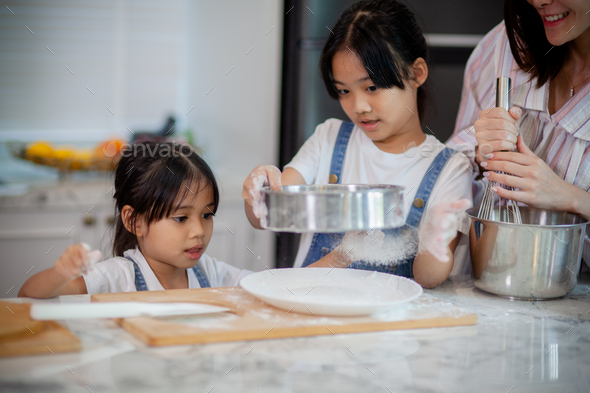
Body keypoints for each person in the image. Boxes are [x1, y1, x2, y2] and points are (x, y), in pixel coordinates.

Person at [243, 0, 473, 289]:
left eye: (372, 87)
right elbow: (268, 216)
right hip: (315, 313)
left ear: (417, 73)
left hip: (389, 330)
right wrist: (258, 195)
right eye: (343, 91)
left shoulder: (450, 169)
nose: (358, 106)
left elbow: (427, 278)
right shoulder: (328, 139)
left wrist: (433, 238)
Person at [447, 0, 590, 266]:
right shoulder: (507, 44)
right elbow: (448, 174)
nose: (540, 0)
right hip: (484, 280)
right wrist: (479, 154)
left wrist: (573, 198)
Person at [19, 142, 253, 298]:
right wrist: (61, 274)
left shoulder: (210, 273)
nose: (199, 231)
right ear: (134, 221)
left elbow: (263, 286)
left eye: (207, 215)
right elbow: (27, 297)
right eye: (181, 218)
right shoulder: (119, 277)